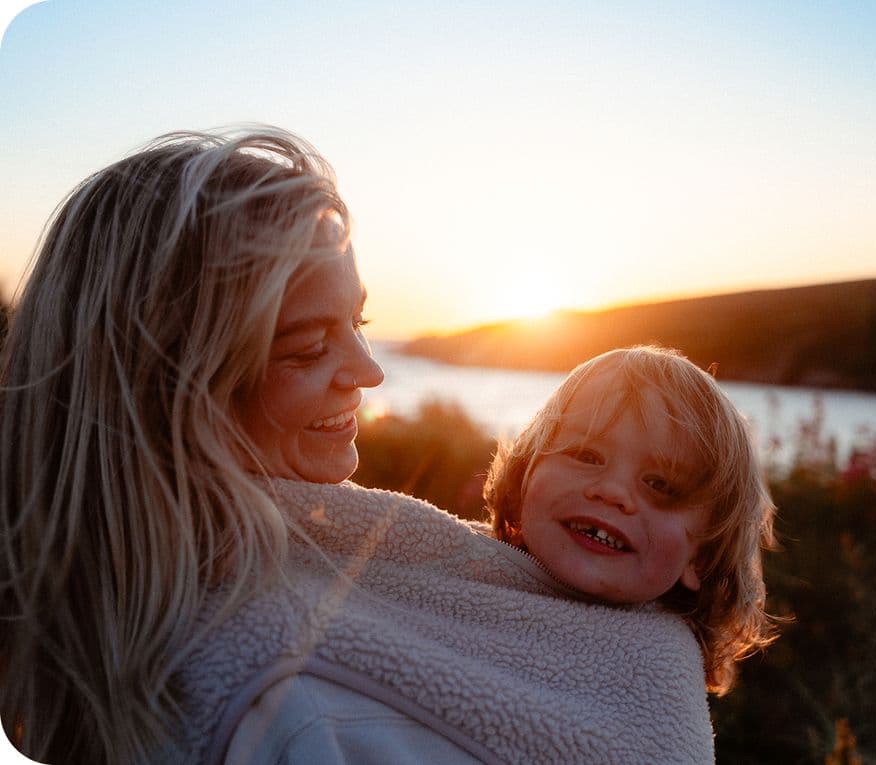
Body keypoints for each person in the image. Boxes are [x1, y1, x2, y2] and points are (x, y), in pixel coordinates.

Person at [1, 128, 716, 765]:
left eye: (358, 319)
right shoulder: (280, 705)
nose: (370, 370)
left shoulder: (348, 555)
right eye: (309, 346)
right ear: (167, 382)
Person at [484, 346, 779, 694]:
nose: (611, 492)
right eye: (587, 456)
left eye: (660, 485)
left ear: (702, 556)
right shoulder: (436, 560)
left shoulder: (661, 684)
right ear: (523, 482)